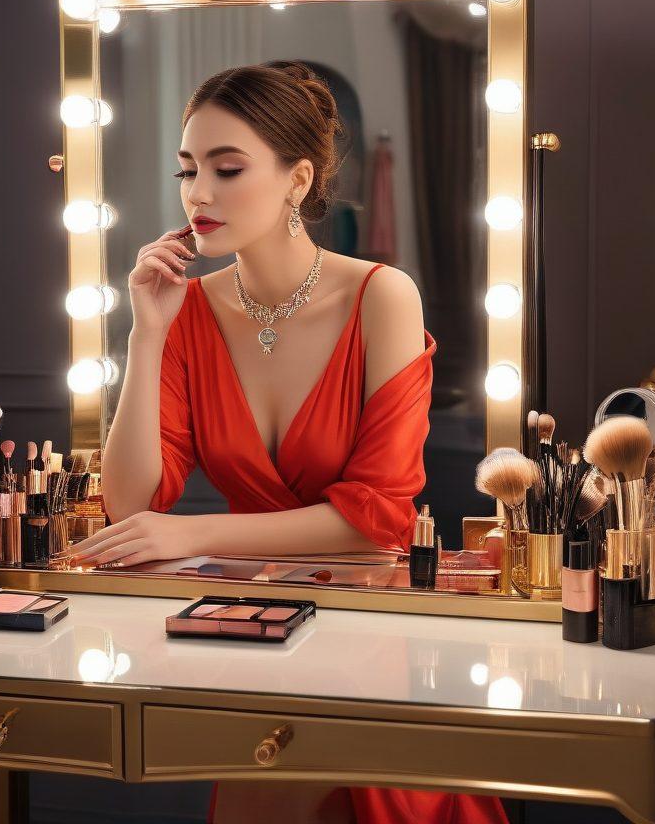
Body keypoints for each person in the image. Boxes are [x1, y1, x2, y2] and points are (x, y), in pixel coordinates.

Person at [68, 61, 507, 824]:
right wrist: (146, 336)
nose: (198, 193)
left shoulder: (380, 296)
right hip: (251, 628)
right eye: (188, 170)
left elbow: (376, 517)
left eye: (227, 168)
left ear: (298, 181)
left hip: (372, 624)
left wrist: (193, 531)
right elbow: (132, 502)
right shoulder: (188, 312)